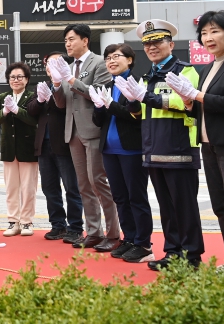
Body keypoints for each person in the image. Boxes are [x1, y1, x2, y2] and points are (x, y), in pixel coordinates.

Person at [116, 19, 203, 270]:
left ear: (171, 44)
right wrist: (133, 102)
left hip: (178, 148)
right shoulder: (148, 75)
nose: (152, 47)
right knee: (166, 207)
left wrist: (146, 96)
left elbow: (183, 100)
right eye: (147, 43)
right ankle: (173, 253)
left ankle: (191, 256)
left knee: (184, 206)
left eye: (157, 42)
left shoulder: (185, 70)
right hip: (153, 150)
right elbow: (141, 112)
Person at [170, 11, 224, 266]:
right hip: (208, 143)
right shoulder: (207, 68)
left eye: (215, 31)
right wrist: (188, 101)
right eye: (204, 33)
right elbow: (202, 106)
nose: (209, 37)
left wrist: (195, 95)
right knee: (219, 204)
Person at [49, 24, 120, 250]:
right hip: (73, 131)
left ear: (85, 40)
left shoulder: (99, 62)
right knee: (83, 185)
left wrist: (70, 80)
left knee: (98, 181)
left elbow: (97, 93)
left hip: (93, 130)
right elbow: (62, 104)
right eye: (66, 41)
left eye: (71, 39)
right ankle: (94, 231)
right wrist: (57, 85)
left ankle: (114, 233)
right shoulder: (69, 67)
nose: (68, 44)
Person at [88, 44, 153, 262]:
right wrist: (99, 107)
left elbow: (135, 116)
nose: (111, 61)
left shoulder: (137, 84)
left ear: (130, 60)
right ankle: (129, 238)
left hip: (131, 149)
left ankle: (143, 243)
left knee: (136, 197)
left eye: (116, 57)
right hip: (109, 149)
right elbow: (98, 122)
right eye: (107, 58)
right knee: (120, 197)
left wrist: (111, 105)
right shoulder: (107, 85)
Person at [27, 52, 83, 243]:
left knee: (71, 188)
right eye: (48, 64)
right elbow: (32, 110)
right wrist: (41, 99)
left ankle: (75, 227)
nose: (50, 68)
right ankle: (57, 225)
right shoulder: (42, 86)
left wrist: (53, 93)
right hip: (43, 144)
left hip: (64, 144)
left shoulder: (70, 86)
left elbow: (61, 107)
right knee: (50, 188)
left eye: (54, 64)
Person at [0, 62, 38, 236]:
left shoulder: (32, 96)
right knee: (11, 187)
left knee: (28, 187)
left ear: (26, 80)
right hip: (9, 149)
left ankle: (26, 222)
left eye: (19, 77)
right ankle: (13, 221)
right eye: (12, 77)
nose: (15, 80)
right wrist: (5, 111)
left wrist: (17, 110)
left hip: (28, 148)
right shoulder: (2, 96)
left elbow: (34, 120)